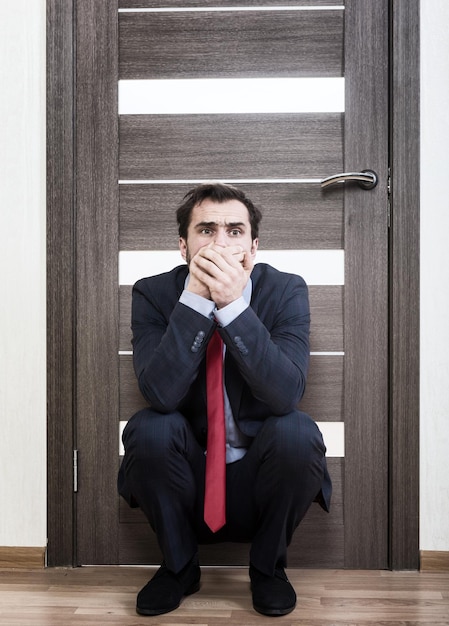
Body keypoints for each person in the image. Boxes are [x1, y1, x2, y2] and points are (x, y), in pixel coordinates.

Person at [118, 182, 331, 617]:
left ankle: (268, 570)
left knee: (297, 431)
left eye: (234, 230)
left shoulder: (285, 290)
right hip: (190, 480)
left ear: (253, 245)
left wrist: (233, 304)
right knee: (149, 427)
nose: (220, 242)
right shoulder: (153, 294)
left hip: (257, 478)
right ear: (183, 246)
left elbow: (285, 394)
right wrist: (196, 299)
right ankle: (179, 568)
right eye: (206, 230)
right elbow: (161, 393)